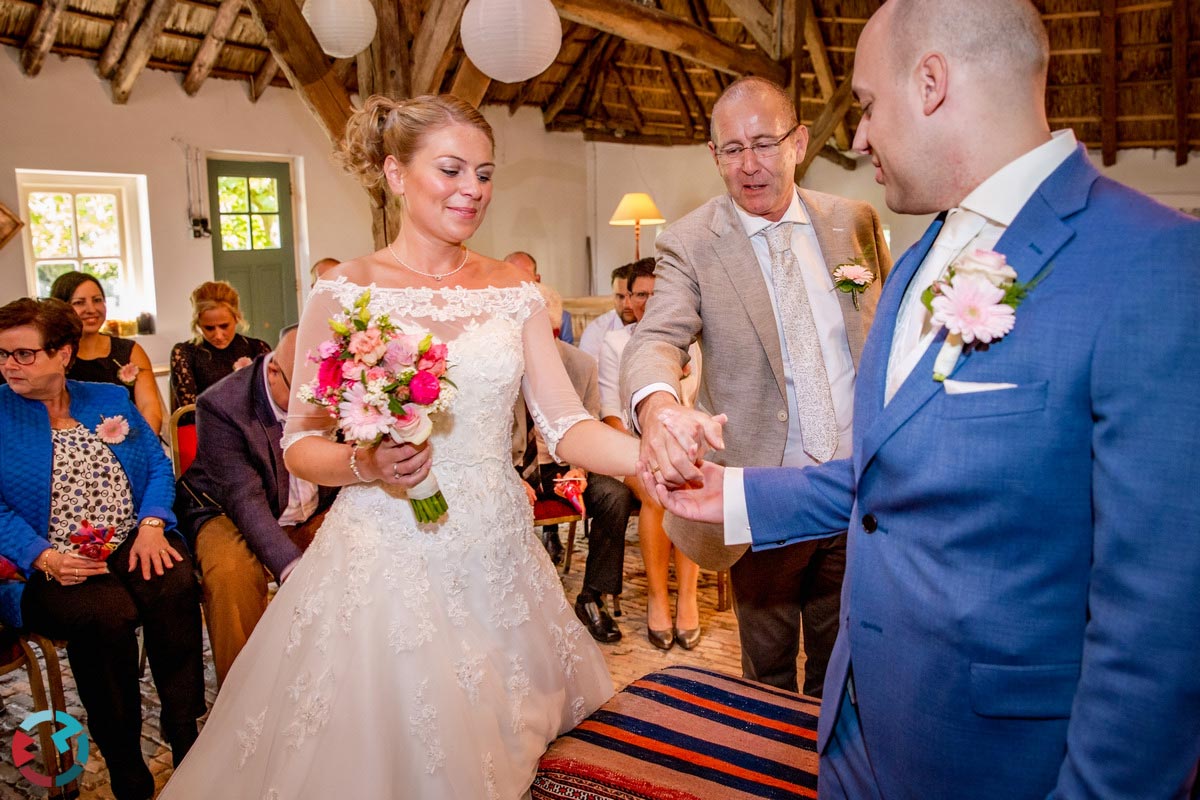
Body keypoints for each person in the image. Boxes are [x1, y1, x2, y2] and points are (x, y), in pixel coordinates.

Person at [650, 1, 1200, 797]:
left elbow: (1160, 629)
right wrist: (732, 493)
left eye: (868, 105)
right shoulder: (912, 265)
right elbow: (892, 476)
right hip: (855, 737)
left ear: (932, 83)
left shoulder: (1150, 265)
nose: (860, 135)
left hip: (996, 757)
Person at [160, 94, 642, 799]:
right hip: (388, 550)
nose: (471, 189)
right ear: (394, 173)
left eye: (484, 173)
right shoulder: (345, 289)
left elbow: (566, 426)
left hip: (497, 551)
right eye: (451, 169)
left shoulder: (515, 290)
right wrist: (367, 463)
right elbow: (300, 444)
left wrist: (651, 457)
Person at [620, 76, 891, 694]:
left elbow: (884, 328)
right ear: (714, 157)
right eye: (732, 149)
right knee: (765, 674)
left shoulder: (854, 221)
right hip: (761, 492)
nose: (750, 165)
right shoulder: (690, 241)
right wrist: (661, 408)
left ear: (798, 143)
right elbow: (656, 339)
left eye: (764, 143)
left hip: (853, 486)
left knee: (843, 664)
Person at [0, 298, 205, 800]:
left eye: (24, 354)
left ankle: (186, 735)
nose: (9, 366)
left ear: (63, 353)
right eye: (3, 355)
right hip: (44, 566)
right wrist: (43, 557)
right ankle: (125, 766)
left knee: (174, 583)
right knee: (107, 616)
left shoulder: (106, 397)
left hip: (128, 540)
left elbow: (157, 465)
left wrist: (154, 524)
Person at [174, 325, 337, 686]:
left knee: (365, 551)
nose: (313, 407)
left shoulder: (334, 389)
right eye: (301, 395)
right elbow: (242, 497)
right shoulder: (221, 405)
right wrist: (292, 565)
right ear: (274, 370)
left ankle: (332, 678)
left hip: (313, 505)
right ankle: (244, 692)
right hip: (224, 510)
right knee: (232, 574)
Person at [599, 261, 702, 651]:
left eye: (658, 294)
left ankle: (687, 597)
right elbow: (611, 412)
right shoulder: (616, 344)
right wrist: (645, 453)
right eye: (641, 294)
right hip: (630, 448)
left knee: (683, 480)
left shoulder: (694, 343)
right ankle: (658, 597)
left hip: (687, 447)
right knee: (661, 487)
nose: (649, 301)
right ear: (629, 298)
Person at [50, 271, 165, 435]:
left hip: (131, 441)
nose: (91, 309)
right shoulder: (53, 356)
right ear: (61, 308)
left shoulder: (130, 351)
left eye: (97, 300)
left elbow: (149, 407)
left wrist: (144, 444)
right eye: (79, 302)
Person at [169, 280, 271, 410]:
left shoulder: (257, 348)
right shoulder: (184, 353)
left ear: (236, 318)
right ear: (198, 324)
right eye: (209, 328)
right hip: (205, 427)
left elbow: (269, 400)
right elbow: (191, 411)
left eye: (224, 326)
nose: (218, 335)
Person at [504, 250, 574, 343]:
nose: (517, 281)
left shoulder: (560, 317)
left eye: (524, 275)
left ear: (537, 279)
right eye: (510, 274)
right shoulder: (491, 313)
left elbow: (566, 354)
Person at [578, 262, 636, 361]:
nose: (627, 304)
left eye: (631, 295)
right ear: (612, 296)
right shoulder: (596, 331)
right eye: (620, 296)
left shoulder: (656, 327)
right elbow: (586, 372)